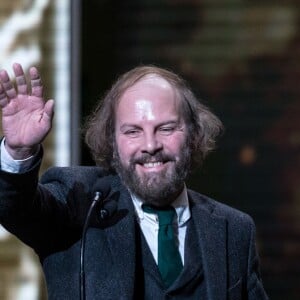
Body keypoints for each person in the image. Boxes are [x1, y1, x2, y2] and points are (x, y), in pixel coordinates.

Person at [0, 63, 268, 299]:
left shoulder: (234, 230)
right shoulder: (79, 200)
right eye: (133, 131)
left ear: (194, 134)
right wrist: (19, 152)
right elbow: (17, 209)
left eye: (166, 128)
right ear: (112, 142)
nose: (150, 145)